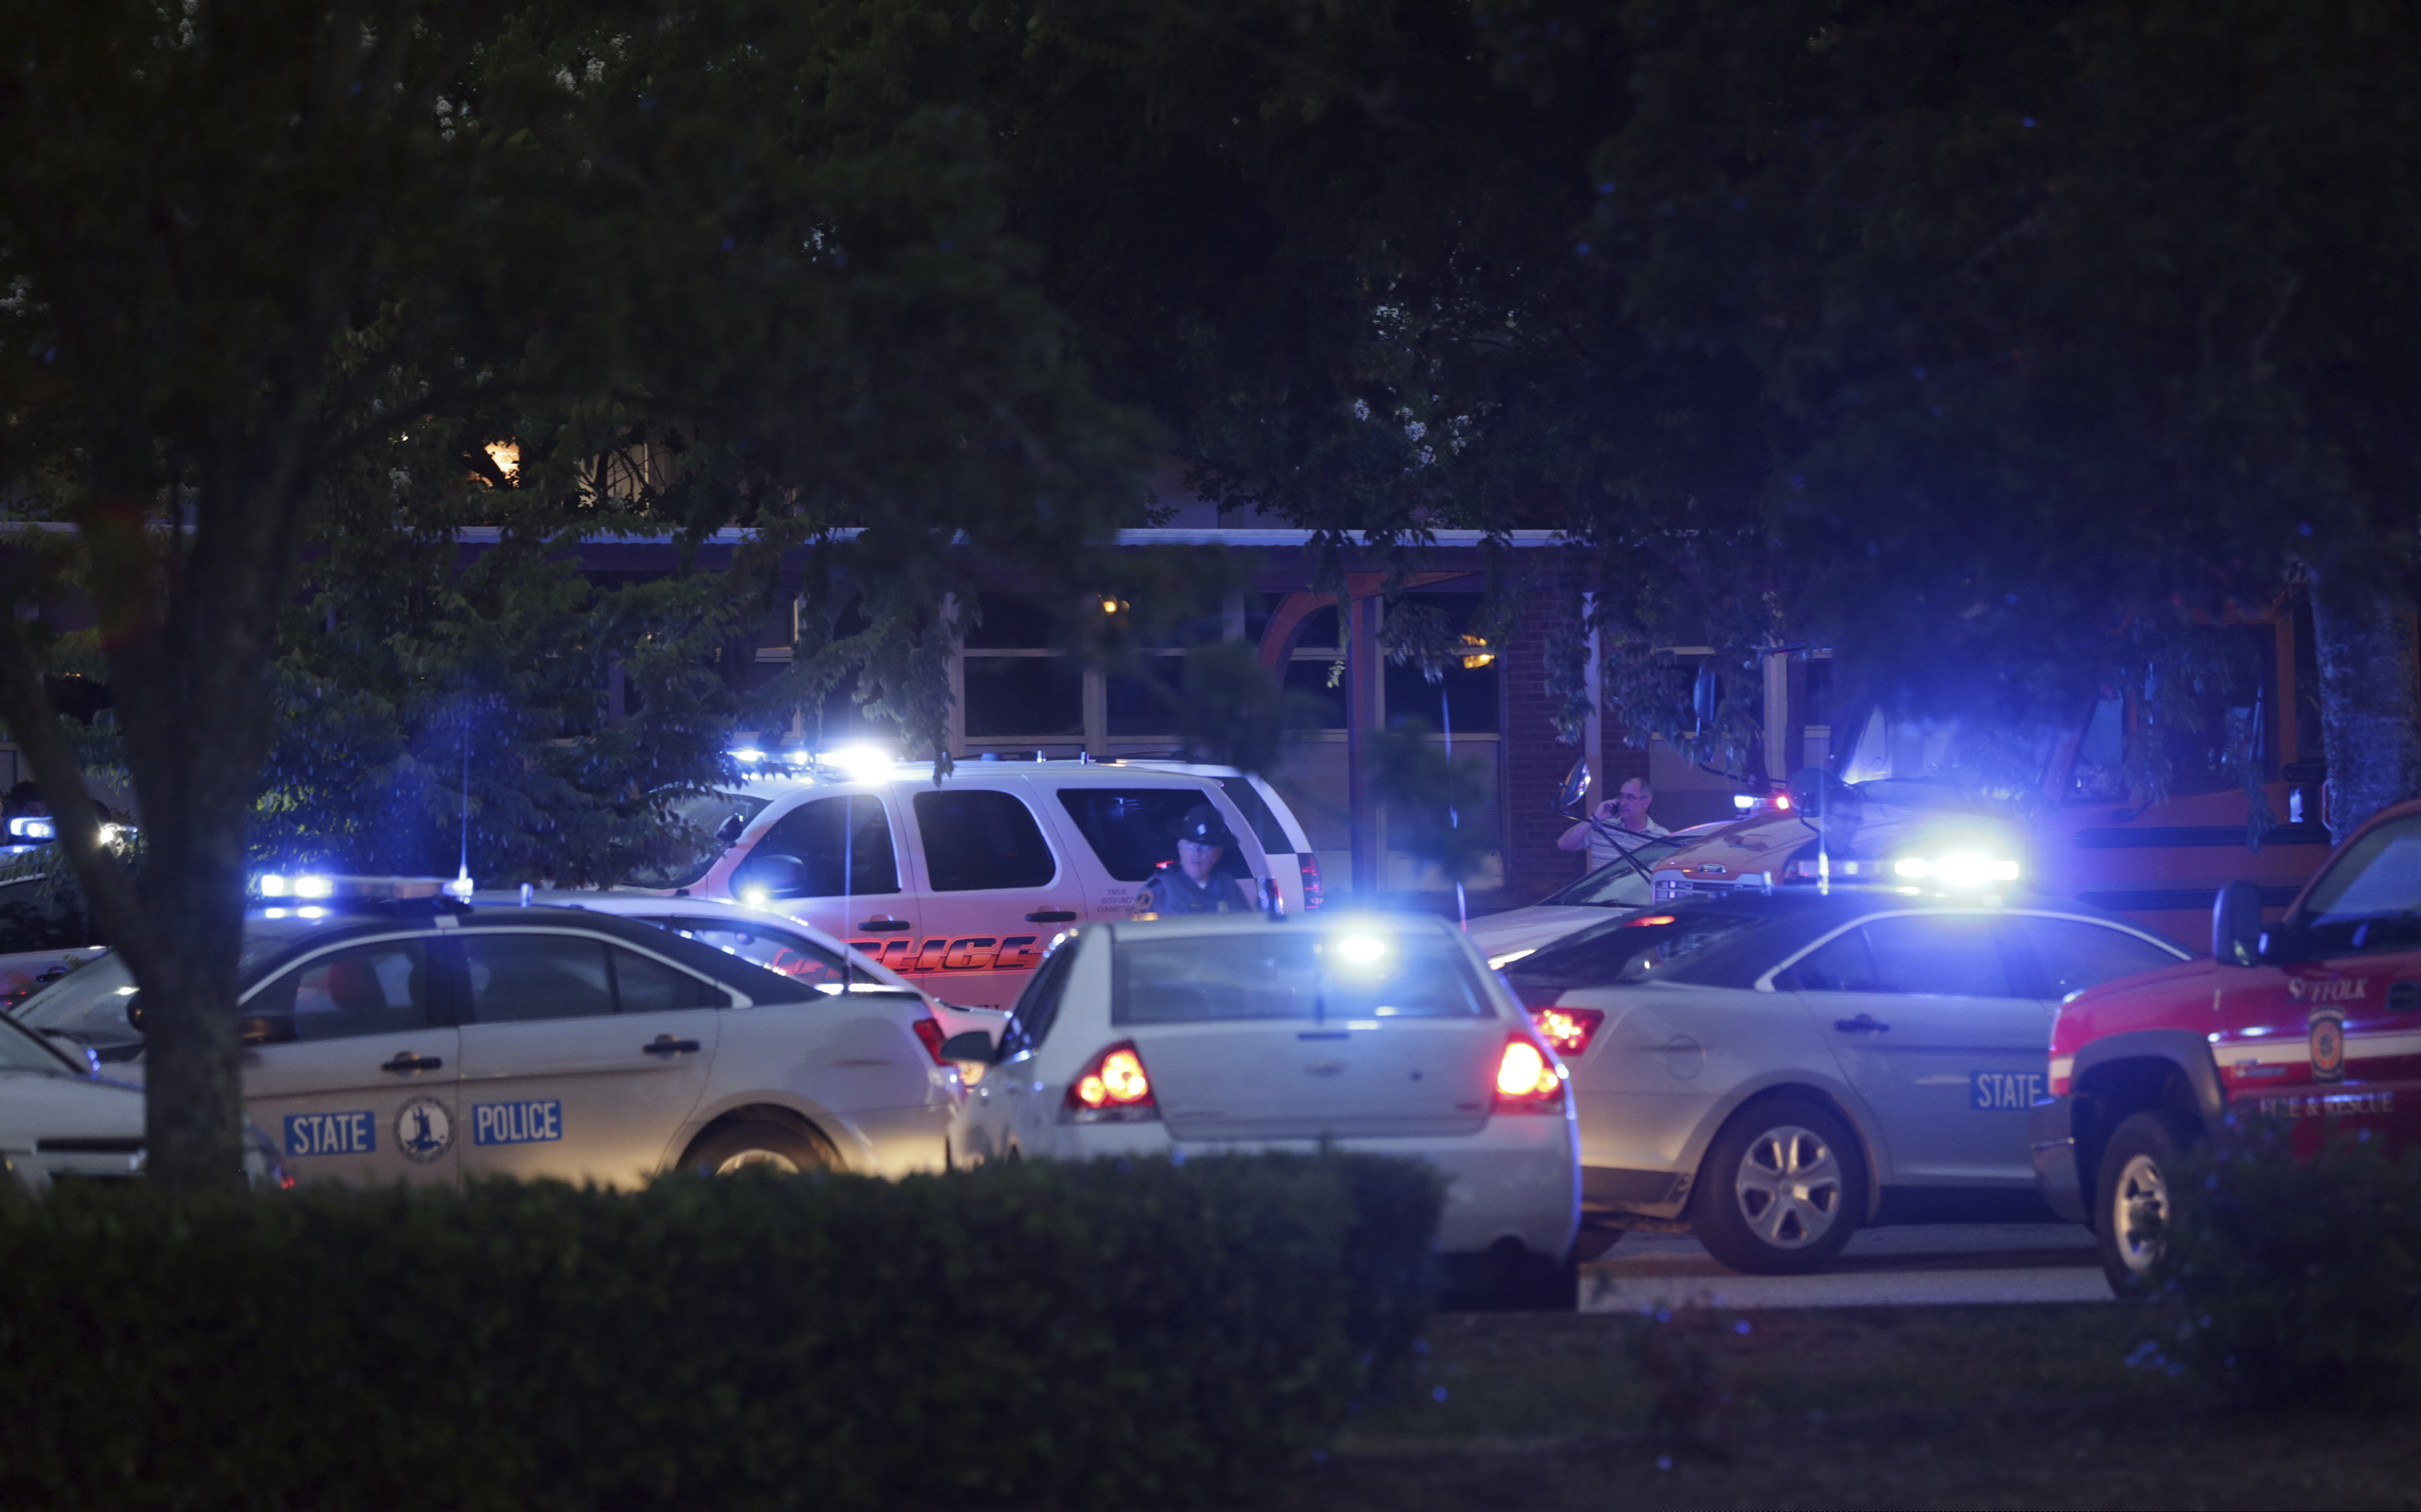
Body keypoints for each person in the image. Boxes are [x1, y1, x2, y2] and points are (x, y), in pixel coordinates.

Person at [1132, 805, 1260, 917]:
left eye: (1206, 848)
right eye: (1190, 845)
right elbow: (1137, 933)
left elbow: (1244, 927)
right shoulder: (1161, 887)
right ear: (1180, 847)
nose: (1196, 853)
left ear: (1218, 854)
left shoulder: (1227, 885)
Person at [1558, 777, 1668, 873]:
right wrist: (1595, 818)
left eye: (1630, 797)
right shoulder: (1602, 827)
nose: (1623, 803)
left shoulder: (1661, 837)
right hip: (1602, 895)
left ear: (1646, 802)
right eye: (1621, 796)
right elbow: (1564, 844)